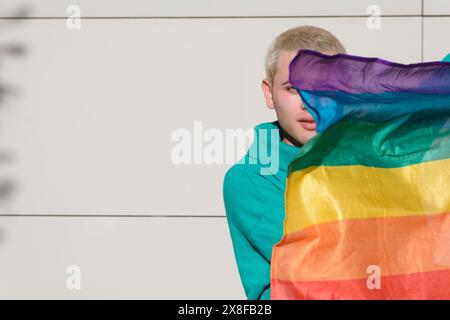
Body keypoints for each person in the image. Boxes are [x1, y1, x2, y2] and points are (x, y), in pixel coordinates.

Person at [222, 25, 346, 300]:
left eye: (324, 87)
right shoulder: (250, 179)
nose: (309, 102)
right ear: (269, 93)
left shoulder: (362, 159)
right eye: (293, 88)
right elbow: (327, 265)